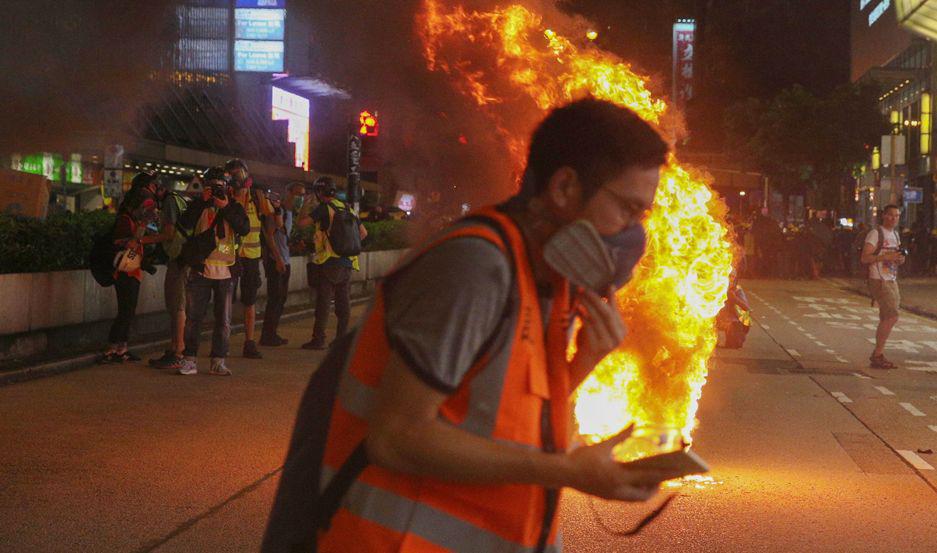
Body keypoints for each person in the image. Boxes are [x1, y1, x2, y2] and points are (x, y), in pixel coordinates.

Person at [263, 99, 673, 552]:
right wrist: (569, 471)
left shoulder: (547, 282)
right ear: (564, 187)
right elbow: (396, 437)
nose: (634, 233)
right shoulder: (477, 267)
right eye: (629, 209)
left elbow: (496, 415)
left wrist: (585, 361)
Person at [176, 167, 250, 376]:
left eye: (220, 186)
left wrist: (225, 207)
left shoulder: (234, 206)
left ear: (227, 187)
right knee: (194, 317)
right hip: (201, 269)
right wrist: (201, 201)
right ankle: (189, 359)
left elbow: (244, 228)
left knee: (223, 320)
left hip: (226, 271)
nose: (217, 190)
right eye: (212, 187)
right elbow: (183, 225)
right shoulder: (199, 206)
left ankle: (218, 360)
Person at [99, 172, 161, 364]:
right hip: (124, 271)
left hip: (132, 270)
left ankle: (121, 349)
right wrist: (137, 238)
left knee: (128, 310)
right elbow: (119, 242)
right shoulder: (126, 219)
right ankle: (111, 349)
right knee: (126, 310)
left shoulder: (134, 220)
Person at [300, 177, 367, 350]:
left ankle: (318, 339)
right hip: (348, 262)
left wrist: (306, 204)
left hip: (330, 262)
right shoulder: (348, 208)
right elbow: (363, 233)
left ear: (319, 192)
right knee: (343, 303)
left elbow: (302, 223)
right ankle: (341, 339)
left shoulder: (324, 209)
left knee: (323, 303)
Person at [225, 158, 274, 359]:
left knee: (250, 301)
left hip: (251, 256)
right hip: (230, 256)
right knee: (225, 301)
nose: (237, 178)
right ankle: (223, 342)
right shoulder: (227, 196)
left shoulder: (255, 196)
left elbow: (269, 215)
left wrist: (258, 195)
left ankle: (249, 342)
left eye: (240, 174)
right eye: (233, 174)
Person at [148, 180, 193, 370]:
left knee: (177, 304)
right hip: (183, 257)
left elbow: (168, 233)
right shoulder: (178, 199)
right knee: (176, 303)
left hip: (180, 258)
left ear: (158, 189)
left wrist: (141, 240)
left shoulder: (169, 202)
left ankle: (179, 352)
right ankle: (175, 348)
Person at [860, 204, 906, 369]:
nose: (894, 218)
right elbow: (865, 258)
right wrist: (885, 257)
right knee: (892, 316)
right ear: (884, 216)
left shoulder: (895, 234)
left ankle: (879, 353)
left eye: (897, 216)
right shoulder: (875, 233)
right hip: (878, 279)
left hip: (891, 278)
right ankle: (878, 354)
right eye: (891, 215)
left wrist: (899, 259)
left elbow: (897, 256)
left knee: (887, 316)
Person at [259, 191, 292, 346]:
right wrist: (278, 259)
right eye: (297, 195)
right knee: (275, 298)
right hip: (276, 261)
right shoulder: (274, 213)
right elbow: (270, 236)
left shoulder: (287, 212)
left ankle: (272, 333)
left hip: (285, 260)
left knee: (281, 299)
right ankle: (268, 335)